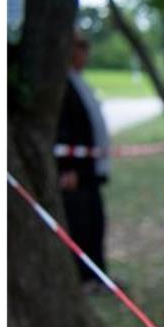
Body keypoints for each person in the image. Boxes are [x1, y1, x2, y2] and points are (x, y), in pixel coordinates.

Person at [57, 30, 110, 289]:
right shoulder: (61, 86)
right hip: (75, 174)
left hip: (90, 172)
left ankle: (99, 275)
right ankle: (84, 278)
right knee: (80, 225)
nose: (84, 53)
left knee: (96, 223)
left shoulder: (78, 81)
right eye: (80, 47)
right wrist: (67, 168)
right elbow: (62, 128)